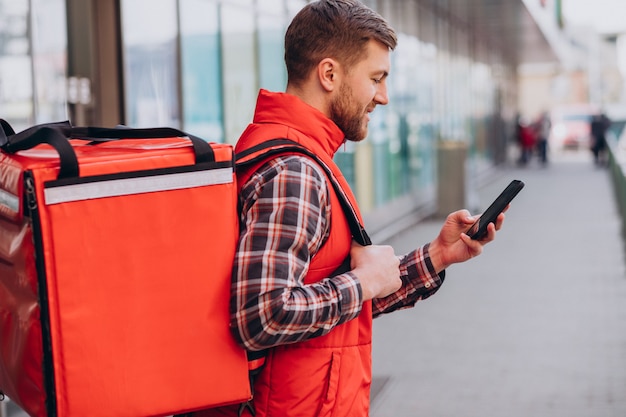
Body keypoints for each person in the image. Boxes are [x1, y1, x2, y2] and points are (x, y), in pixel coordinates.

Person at [181, 1, 504, 416]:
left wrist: (439, 255)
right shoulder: (295, 171)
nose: (383, 97)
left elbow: (337, 306)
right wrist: (364, 283)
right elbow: (262, 315)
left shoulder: (303, 155)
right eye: (376, 78)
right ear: (329, 74)